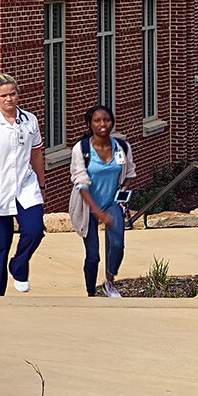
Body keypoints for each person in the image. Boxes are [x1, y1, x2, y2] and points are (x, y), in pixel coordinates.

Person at [0, 73, 45, 295]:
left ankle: (19, 266)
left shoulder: (29, 120)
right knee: (0, 245)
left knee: (34, 231)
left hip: (26, 186)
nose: (9, 99)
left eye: (13, 94)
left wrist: (41, 185)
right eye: (4, 95)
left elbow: (37, 154)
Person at [69, 105, 137, 298]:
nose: (102, 124)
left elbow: (129, 173)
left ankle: (110, 280)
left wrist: (123, 190)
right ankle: (91, 293)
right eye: (97, 121)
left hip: (111, 203)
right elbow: (81, 184)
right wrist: (98, 213)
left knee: (117, 244)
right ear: (89, 124)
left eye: (106, 120)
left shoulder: (122, 147)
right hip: (87, 206)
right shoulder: (81, 149)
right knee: (93, 256)